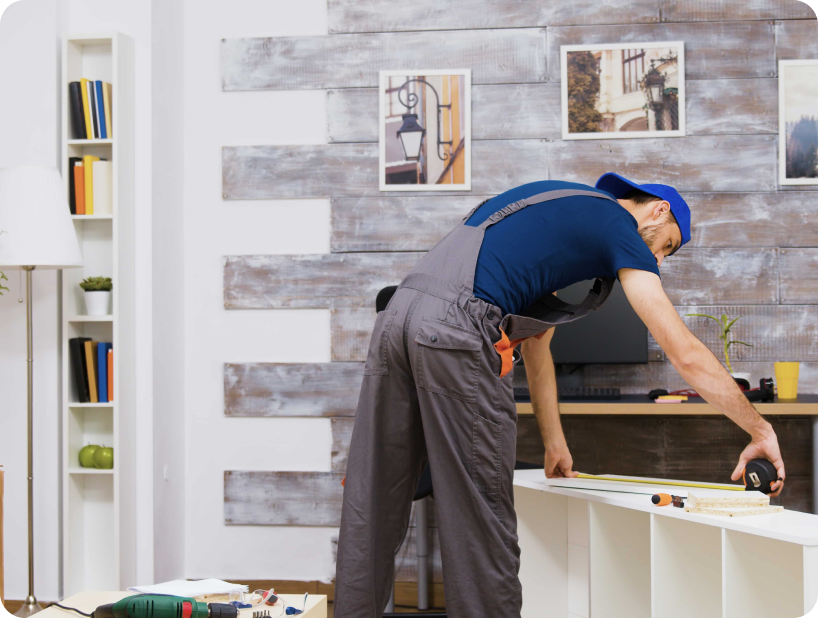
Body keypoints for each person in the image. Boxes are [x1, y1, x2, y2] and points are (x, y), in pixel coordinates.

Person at [333, 173, 786, 618]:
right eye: (667, 244)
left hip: (397, 318)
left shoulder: (561, 208)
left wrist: (554, 442)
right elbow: (683, 352)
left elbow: (537, 344)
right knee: (480, 520)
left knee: (373, 495)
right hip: (455, 330)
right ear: (658, 210)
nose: (660, 260)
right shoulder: (618, 226)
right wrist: (760, 428)